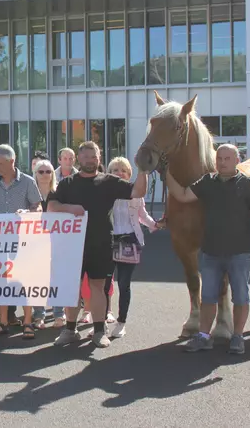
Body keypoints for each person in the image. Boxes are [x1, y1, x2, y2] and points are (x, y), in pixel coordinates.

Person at [164, 144, 250, 355]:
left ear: (237, 160)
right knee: (208, 297)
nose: (222, 162)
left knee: (240, 297)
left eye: (227, 158)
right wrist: (166, 173)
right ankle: (203, 336)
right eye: (219, 158)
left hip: (239, 252)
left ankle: (237, 336)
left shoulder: (249, 184)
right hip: (211, 252)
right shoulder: (207, 182)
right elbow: (182, 195)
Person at [48, 141, 148, 348]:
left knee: (98, 287)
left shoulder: (109, 181)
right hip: (72, 245)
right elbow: (51, 206)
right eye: (85, 157)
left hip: (101, 243)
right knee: (72, 288)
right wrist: (69, 207)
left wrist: (143, 170)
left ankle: (99, 331)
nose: (89, 161)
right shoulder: (67, 183)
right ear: (78, 158)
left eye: (93, 157)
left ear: (99, 158)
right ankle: (70, 329)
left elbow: (137, 192)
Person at [0, 145, 44, 339]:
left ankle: (27, 322)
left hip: (23, 240)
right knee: (2, 280)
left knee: (25, 280)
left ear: (11, 162)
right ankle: (4, 321)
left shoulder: (27, 182)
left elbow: (38, 207)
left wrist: (28, 213)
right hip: (0, 241)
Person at [106, 156, 160, 338]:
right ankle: (103, 320)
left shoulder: (136, 193)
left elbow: (142, 215)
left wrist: (155, 225)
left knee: (123, 283)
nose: (119, 173)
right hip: (108, 239)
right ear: (109, 173)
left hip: (129, 240)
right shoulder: (104, 192)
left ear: (129, 174)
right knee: (104, 283)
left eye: (123, 170)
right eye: (115, 170)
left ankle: (121, 322)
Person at [34, 159, 65, 329]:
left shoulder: (60, 191)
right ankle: (39, 315)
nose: (45, 175)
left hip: (57, 242)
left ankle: (59, 314)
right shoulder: (30, 192)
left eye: (48, 171)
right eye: (41, 171)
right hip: (35, 244)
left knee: (57, 278)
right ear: (35, 174)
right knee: (37, 279)